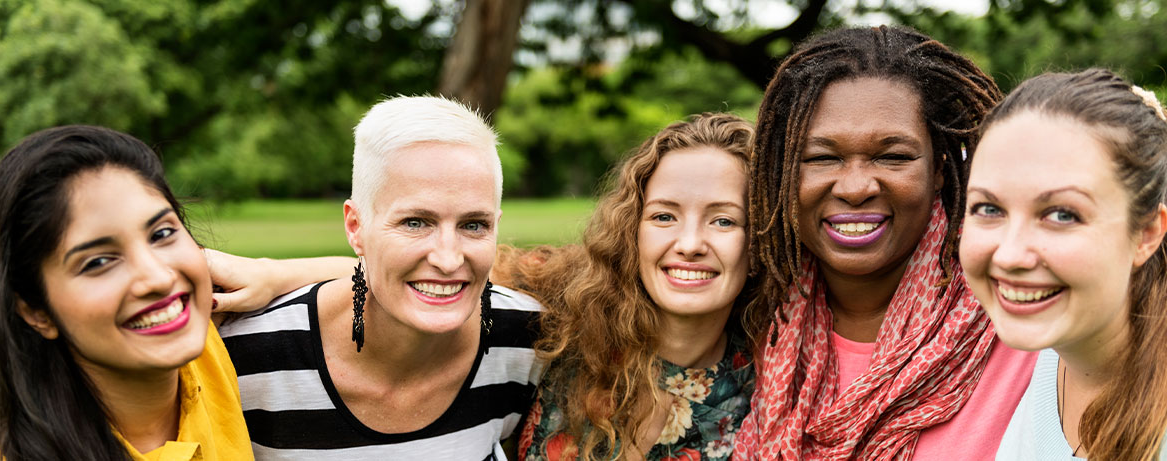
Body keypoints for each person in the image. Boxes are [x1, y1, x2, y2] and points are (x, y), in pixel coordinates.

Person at [731, 26, 1037, 460]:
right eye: (821, 157)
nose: (856, 187)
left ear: (939, 170)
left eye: (893, 157)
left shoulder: (1022, 322)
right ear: (782, 172)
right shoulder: (748, 318)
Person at [215, 96, 543, 460]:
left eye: (473, 225)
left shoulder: (526, 339)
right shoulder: (245, 357)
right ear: (355, 227)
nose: (449, 259)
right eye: (415, 222)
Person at [0, 125, 251, 460]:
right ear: (35, 311)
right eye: (99, 261)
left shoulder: (199, 336)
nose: (158, 278)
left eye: (161, 233)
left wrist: (275, 272)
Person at [500, 113, 758, 460]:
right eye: (664, 216)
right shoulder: (555, 318)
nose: (690, 244)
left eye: (723, 220)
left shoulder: (772, 391)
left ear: (760, 239)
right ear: (631, 229)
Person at [960, 69, 1167, 460]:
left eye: (1061, 215)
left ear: (1145, 234)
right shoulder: (1041, 357)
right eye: (988, 208)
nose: (1008, 255)